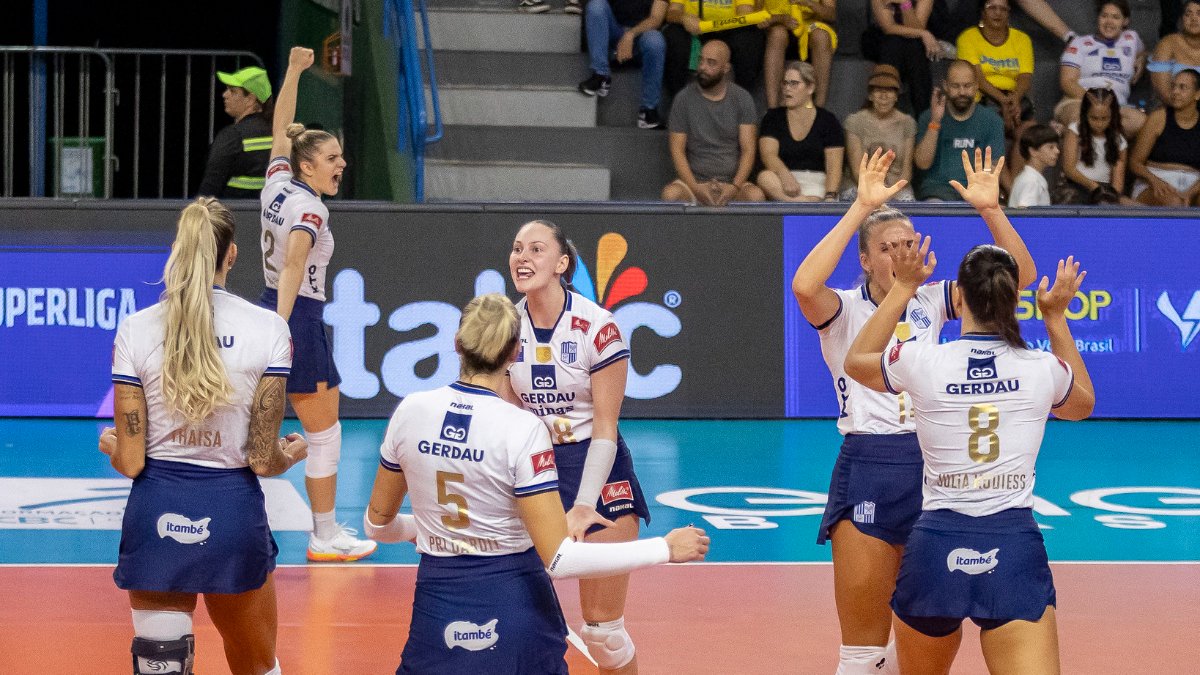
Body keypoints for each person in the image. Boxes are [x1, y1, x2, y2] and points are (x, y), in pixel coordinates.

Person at [364, 293, 710, 675]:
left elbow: (377, 526)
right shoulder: (522, 428)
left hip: (436, 614)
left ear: (457, 343)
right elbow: (559, 559)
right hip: (513, 610)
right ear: (515, 352)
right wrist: (664, 548)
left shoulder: (410, 411)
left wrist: (431, 527)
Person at [791, 146, 1036, 675]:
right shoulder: (844, 308)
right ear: (865, 260)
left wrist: (991, 211)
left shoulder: (933, 299)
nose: (901, 254)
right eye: (887, 248)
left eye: (908, 243)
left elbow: (1020, 278)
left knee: (922, 639)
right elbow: (804, 286)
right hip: (871, 464)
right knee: (863, 654)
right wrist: (861, 207)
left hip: (936, 465)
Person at [843, 241, 1094, 675]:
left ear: (958, 297)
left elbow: (855, 361)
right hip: (1012, 548)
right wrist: (1055, 317)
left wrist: (903, 289)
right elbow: (1082, 405)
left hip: (935, 549)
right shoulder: (1042, 367)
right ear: (1014, 301)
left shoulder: (921, 360)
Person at [101, 198, 307, 675]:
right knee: (257, 667)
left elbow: (131, 461)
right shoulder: (269, 329)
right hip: (232, 516)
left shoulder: (136, 329)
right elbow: (262, 459)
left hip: (157, 513)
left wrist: (115, 447)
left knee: (161, 666)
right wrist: (289, 455)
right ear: (231, 254)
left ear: (179, 250)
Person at [500, 218, 661, 675]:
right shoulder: (505, 326)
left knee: (603, 635)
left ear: (561, 264)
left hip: (597, 466)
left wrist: (584, 503)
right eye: (517, 249)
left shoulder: (597, 326)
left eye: (536, 249)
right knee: (512, 622)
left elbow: (606, 427)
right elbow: (506, 419)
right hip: (535, 467)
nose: (523, 257)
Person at [258, 46, 376, 562]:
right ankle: (324, 536)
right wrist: (280, 331)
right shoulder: (311, 210)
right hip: (297, 317)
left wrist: (293, 71)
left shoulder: (277, 185)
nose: (341, 164)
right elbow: (293, 266)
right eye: (332, 159)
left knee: (259, 426)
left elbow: (280, 129)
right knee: (325, 436)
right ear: (308, 166)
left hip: (268, 303)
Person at [662, 40, 765, 204]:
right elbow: (677, 151)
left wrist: (734, 187)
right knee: (671, 195)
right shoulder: (683, 99)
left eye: (711, 63)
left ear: (726, 68)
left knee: (755, 196)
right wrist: (696, 188)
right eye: (701, 60)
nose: (703, 67)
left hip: (732, 183)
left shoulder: (742, 98)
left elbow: (748, 150)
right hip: (694, 183)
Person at [914, 60, 1007, 201]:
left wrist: (979, 192)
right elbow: (922, 163)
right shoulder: (929, 117)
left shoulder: (992, 120)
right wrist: (935, 122)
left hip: (977, 194)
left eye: (967, 86)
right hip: (937, 193)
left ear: (976, 85)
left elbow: (994, 167)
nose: (962, 92)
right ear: (945, 85)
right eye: (955, 86)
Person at [1054, 0, 1147, 139]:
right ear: (1098, 18)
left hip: (1118, 106)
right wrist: (1097, 103)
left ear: (1125, 21)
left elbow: (1142, 51)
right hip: (1078, 100)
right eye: (1104, 16)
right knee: (1080, 122)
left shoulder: (1131, 38)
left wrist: (1142, 58)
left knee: (1143, 123)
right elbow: (1067, 82)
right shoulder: (1079, 43)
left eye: (1115, 17)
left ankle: (1066, 132)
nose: (1109, 22)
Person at [757, 61, 845, 202]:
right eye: (785, 83)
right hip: (782, 183)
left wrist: (830, 195)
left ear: (810, 88)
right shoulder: (773, 117)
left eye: (794, 83)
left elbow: (834, 167)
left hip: (817, 182)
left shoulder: (828, 120)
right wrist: (785, 176)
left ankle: (805, 204)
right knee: (764, 177)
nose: (787, 88)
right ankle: (802, 203)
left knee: (823, 193)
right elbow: (768, 155)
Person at [577, 0, 669, 129]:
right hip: (613, 33)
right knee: (596, 6)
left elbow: (656, 19)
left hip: (641, 37)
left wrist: (630, 34)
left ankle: (648, 110)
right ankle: (601, 75)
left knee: (655, 40)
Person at [956, 0, 1035, 133]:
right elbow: (977, 78)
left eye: (1003, 9)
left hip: (1014, 97)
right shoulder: (968, 38)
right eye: (992, 8)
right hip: (982, 98)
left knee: (1030, 135)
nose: (998, 13)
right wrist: (1003, 100)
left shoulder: (1022, 39)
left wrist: (1014, 99)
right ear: (982, 12)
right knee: (993, 122)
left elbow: (1025, 77)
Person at [196, 66, 274, 199]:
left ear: (250, 99)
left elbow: (210, 188)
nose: (225, 95)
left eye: (233, 91)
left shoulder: (233, 136)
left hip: (233, 210)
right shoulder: (279, 133)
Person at [841, 64, 917, 201]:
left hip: (897, 188)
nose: (883, 96)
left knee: (907, 201)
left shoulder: (908, 123)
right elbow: (856, 171)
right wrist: (876, 194)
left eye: (889, 91)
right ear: (870, 95)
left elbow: (906, 172)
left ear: (896, 96)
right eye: (878, 90)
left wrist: (889, 193)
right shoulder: (855, 121)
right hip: (861, 186)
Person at [866, 0, 954, 117]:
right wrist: (924, 34)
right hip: (882, 40)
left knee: (913, 47)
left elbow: (916, 27)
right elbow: (889, 28)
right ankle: (923, 115)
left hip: (914, 43)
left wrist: (905, 3)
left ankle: (885, 106)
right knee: (894, 43)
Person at [662, 0, 766, 96]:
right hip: (693, 29)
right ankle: (679, 99)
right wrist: (683, 18)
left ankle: (740, 98)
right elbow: (672, 12)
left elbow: (745, 11)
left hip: (729, 28)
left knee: (751, 38)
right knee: (674, 34)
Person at [1130, 68, 1200, 205]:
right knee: (1174, 203)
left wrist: (1191, 192)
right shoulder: (1158, 118)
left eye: (1182, 87)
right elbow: (1135, 163)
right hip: (1155, 182)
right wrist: (1155, 181)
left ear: (1197, 94)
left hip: (1194, 186)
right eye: (1173, 86)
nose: (1175, 92)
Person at [1055, 87, 1129, 204]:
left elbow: (1117, 182)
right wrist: (1094, 187)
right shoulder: (1075, 131)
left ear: (1113, 116)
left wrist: (1110, 195)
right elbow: (1069, 169)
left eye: (1105, 118)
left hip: (1104, 190)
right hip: (1076, 185)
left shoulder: (1119, 140)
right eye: (1094, 118)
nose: (1099, 123)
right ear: (1085, 115)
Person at [761, 0, 837, 108]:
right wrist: (780, 19)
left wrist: (810, 4)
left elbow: (831, 14)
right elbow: (755, 13)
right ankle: (772, 109)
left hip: (810, 25)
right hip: (777, 24)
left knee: (821, 36)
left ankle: (819, 107)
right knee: (777, 34)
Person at [1149, 0, 1200, 104]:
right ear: (1181, 20)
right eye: (1188, 14)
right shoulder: (1168, 43)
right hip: (1172, 106)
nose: (1194, 18)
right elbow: (1163, 91)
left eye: (1199, 14)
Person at [1007, 123, 1059, 207]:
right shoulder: (1032, 181)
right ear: (1033, 151)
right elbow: (1024, 210)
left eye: (1057, 147)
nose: (1057, 151)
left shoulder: (1031, 178)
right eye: (1051, 147)